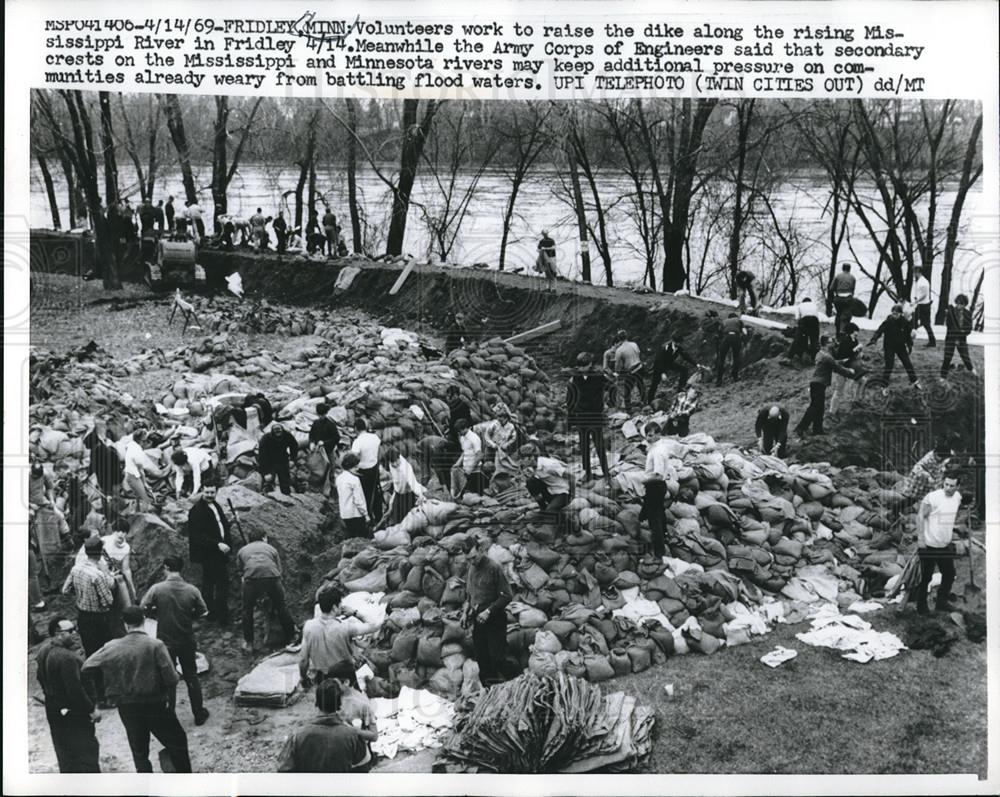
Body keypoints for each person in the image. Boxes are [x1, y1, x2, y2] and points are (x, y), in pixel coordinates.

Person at [83, 605, 192, 773]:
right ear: (144, 620)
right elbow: (171, 679)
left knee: (139, 751)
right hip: (155, 704)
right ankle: (184, 783)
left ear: (125, 624)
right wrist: (171, 702)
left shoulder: (111, 646)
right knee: (176, 742)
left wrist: (104, 688)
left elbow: (86, 667)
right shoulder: (155, 645)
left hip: (127, 707)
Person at [140, 556, 210, 726]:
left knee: (168, 679)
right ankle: (199, 713)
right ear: (181, 569)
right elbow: (204, 612)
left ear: (166, 568)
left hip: (165, 641)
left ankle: (169, 715)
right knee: (191, 676)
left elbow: (142, 607)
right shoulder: (192, 590)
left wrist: (155, 614)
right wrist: (188, 616)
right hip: (186, 638)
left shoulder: (157, 589)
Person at [36, 616, 102, 772]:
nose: (75, 633)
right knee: (86, 751)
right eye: (70, 631)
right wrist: (91, 709)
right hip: (74, 712)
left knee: (64, 751)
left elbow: (40, 677)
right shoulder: (67, 658)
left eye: (75, 629)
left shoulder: (44, 650)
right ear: (58, 634)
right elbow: (75, 690)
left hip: (54, 708)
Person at [277, 679, 368, 773]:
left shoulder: (297, 736)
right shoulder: (352, 735)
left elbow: (283, 770)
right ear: (339, 704)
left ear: (316, 703)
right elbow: (363, 768)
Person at [299, 585, 378, 687]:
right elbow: (373, 625)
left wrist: (303, 678)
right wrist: (355, 613)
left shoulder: (309, 626)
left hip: (323, 680)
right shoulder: (345, 627)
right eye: (340, 603)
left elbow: (303, 660)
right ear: (334, 607)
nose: (342, 606)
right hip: (346, 679)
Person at [237, 528, 298, 653]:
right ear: (264, 537)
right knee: (281, 607)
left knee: (247, 610)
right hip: (272, 577)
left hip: (251, 579)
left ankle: (249, 643)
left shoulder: (242, 550)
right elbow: (279, 570)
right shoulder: (271, 549)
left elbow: (240, 571)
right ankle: (292, 636)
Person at [462, 536, 512, 687]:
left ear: (481, 550)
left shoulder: (493, 568)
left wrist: (489, 611)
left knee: (497, 659)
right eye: (468, 559)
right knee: (482, 661)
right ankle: (489, 695)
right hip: (479, 620)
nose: (472, 562)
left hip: (495, 620)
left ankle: (512, 686)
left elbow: (507, 596)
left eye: (474, 557)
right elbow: (469, 595)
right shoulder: (471, 568)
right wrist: (465, 612)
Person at [913, 474, 964, 615]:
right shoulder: (933, 497)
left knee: (949, 574)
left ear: (958, 486)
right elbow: (920, 516)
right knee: (926, 577)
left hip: (944, 544)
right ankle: (921, 607)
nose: (948, 488)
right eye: (946, 484)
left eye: (952, 485)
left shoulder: (957, 497)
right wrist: (921, 538)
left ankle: (941, 602)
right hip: (929, 544)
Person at [186, 483, 233, 624]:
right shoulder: (196, 511)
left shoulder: (216, 505)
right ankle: (221, 617)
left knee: (210, 583)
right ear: (202, 491)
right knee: (219, 584)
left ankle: (212, 614)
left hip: (219, 551)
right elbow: (197, 536)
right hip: (209, 553)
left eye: (212, 492)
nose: (209, 495)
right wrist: (217, 544)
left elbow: (220, 524)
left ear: (216, 492)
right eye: (207, 492)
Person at [794, 336, 855, 437]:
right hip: (819, 384)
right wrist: (850, 371)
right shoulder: (827, 356)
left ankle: (817, 429)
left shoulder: (820, 353)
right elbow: (837, 368)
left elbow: (832, 363)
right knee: (814, 407)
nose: (834, 344)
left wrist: (842, 361)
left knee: (819, 408)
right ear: (826, 344)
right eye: (831, 342)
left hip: (816, 383)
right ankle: (801, 428)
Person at [566, 353, 611, 483]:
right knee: (584, 445)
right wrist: (571, 419)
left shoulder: (598, 376)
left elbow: (611, 386)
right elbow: (570, 398)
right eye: (580, 367)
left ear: (590, 365)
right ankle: (587, 472)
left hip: (595, 415)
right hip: (581, 416)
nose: (582, 369)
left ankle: (606, 473)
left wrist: (607, 403)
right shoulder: (575, 378)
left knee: (599, 445)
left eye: (584, 366)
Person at [326, 660, 378, 770]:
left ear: (346, 682)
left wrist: (351, 730)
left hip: (357, 758)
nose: (331, 686)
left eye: (335, 683)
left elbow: (374, 736)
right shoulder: (334, 695)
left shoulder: (361, 704)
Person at [640, 422, 676, 559]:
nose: (648, 438)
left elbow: (658, 475)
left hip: (655, 486)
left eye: (650, 435)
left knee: (654, 520)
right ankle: (665, 535)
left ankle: (659, 553)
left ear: (658, 434)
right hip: (658, 486)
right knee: (659, 512)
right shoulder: (656, 448)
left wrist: (643, 481)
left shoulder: (658, 452)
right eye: (647, 435)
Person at [869, 303, 921, 395]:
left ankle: (915, 381)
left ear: (900, 314)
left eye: (896, 314)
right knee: (889, 366)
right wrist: (874, 339)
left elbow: (908, 336)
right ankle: (884, 386)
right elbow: (879, 331)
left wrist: (909, 345)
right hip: (889, 346)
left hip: (900, 347)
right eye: (893, 313)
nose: (894, 315)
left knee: (908, 363)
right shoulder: (888, 321)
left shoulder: (904, 322)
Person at [520, 441, 575, 521]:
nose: (521, 461)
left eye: (523, 458)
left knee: (550, 512)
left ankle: (567, 520)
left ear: (531, 457)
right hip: (551, 490)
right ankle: (543, 508)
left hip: (563, 492)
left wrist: (572, 494)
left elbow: (571, 476)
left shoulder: (548, 465)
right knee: (530, 481)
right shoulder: (534, 466)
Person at [84, 425, 124, 523]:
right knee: (112, 498)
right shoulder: (104, 448)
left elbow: (93, 467)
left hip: (108, 480)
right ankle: (114, 516)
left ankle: (111, 518)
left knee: (109, 498)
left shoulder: (97, 452)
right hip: (115, 478)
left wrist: (86, 476)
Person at [122, 429, 169, 512]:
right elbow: (158, 473)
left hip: (129, 478)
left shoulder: (132, 446)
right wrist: (170, 466)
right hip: (131, 482)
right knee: (145, 501)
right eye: (145, 441)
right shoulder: (145, 454)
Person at [379, 446, 426, 528]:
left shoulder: (405, 468)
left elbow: (413, 483)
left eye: (396, 461)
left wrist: (420, 494)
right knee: (395, 516)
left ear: (399, 458)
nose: (395, 464)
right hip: (398, 493)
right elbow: (395, 481)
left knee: (408, 518)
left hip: (407, 495)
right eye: (392, 462)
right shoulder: (391, 464)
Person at [828, 322, 866, 415]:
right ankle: (832, 412)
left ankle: (855, 400)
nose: (857, 333)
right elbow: (845, 354)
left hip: (851, 366)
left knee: (863, 381)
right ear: (851, 332)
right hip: (842, 368)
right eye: (855, 332)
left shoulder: (854, 340)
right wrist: (856, 349)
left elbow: (854, 355)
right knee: (839, 390)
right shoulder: (845, 341)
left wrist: (860, 353)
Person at [648, 335, 697, 404]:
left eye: (680, 343)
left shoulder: (679, 348)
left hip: (669, 363)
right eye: (678, 343)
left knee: (684, 370)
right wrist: (662, 373)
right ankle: (650, 400)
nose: (679, 344)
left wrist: (696, 364)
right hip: (659, 365)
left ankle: (680, 389)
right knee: (655, 382)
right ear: (674, 341)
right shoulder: (665, 347)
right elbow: (659, 360)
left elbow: (686, 356)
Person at [478, 402, 519, 482]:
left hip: (503, 449)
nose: (499, 418)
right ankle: (487, 481)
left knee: (502, 466)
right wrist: (493, 445)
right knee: (488, 465)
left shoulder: (510, 427)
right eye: (498, 416)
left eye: (501, 417)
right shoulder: (494, 424)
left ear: (506, 418)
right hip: (491, 449)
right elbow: (486, 436)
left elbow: (513, 438)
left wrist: (507, 444)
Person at [351, 419, 383, 519]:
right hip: (374, 468)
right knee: (376, 493)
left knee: (365, 495)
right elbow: (379, 450)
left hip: (363, 472)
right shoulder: (374, 437)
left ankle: (368, 518)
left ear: (355, 429)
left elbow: (353, 457)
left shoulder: (357, 442)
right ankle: (379, 516)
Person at [940, 293, 975, 378]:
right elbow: (949, 326)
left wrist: (963, 332)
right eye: (958, 303)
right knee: (947, 358)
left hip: (962, 339)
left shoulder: (968, 314)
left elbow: (969, 328)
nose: (959, 305)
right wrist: (956, 337)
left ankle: (972, 371)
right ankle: (943, 377)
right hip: (951, 338)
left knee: (965, 357)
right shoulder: (951, 312)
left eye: (961, 304)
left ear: (965, 304)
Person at [336, 453, 369, 538]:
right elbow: (358, 500)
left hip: (345, 514)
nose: (357, 469)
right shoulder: (354, 479)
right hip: (356, 514)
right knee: (362, 538)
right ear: (349, 466)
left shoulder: (339, 478)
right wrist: (365, 514)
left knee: (351, 538)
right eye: (355, 467)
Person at [259, 424, 299, 495]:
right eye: (276, 432)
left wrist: (292, 459)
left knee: (285, 482)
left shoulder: (287, 435)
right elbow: (262, 456)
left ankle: (287, 497)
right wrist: (265, 472)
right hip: (269, 462)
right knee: (268, 481)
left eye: (279, 431)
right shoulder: (266, 439)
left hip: (283, 460)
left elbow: (294, 446)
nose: (278, 433)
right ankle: (267, 497)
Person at [450, 418, 485, 497]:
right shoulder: (462, 438)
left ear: (466, 428)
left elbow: (479, 455)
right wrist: (457, 463)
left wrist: (470, 468)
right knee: (465, 495)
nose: (459, 433)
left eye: (460, 431)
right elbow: (464, 452)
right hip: (466, 470)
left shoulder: (474, 438)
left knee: (475, 495)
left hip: (475, 470)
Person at [613, 329, 644, 412]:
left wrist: (617, 372)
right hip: (639, 366)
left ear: (619, 339)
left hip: (631, 370)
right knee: (641, 386)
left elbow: (617, 365)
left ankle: (628, 409)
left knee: (627, 390)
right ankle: (645, 403)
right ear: (626, 336)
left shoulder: (619, 350)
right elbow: (638, 353)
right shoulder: (634, 344)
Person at [787, 297, 821, 362]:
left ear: (803, 302)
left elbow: (797, 318)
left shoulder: (800, 305)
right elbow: (816, 316)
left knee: (797, 338)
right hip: (815, 321)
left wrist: (799, 329)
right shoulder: (814, 305)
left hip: (805, 319)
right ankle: (813, 359)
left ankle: (789, 358)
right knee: (814, 340)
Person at [715, 313, 745, 385]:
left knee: (722, 359)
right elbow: (743, 331)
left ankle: (719, 380)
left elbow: (719, 333)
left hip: (726, 337)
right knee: (736, 357)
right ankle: (735, 377)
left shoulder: (724, 321)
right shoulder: (739, 320)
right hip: (736, 337)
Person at [911, 267, 936, 347]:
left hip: (923, 306)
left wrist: (916, 301)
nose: (913, 274)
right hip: (922, 305)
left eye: (914, 272)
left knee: (922, 323)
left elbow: (924, 294)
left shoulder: (923, 282)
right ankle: (932, 341)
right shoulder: (920, 281)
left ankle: (909, 338)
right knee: (920, 323)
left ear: (918, 272)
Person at [828, 262, 857, 334]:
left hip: (838, 298)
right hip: (848, 298)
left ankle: (837, 332)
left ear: (842, 268)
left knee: (838, 314)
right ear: (849, 269)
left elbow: (831, 288)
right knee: (846, 317)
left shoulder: (837, 276)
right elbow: (853, 290)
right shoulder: (853, 278)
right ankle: (843, 332)